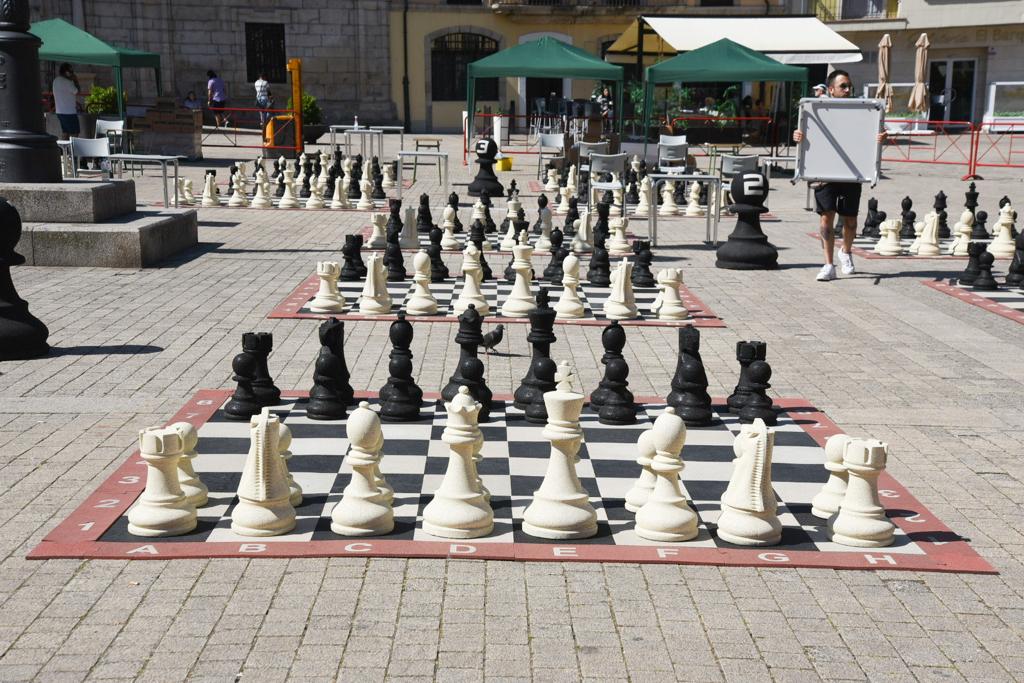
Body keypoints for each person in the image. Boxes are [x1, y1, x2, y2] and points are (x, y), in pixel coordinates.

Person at [794, 70, 886, 282]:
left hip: (851, 172)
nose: (847, 90)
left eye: (849, 86)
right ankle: (828, 264)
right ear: (831, 89)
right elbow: (805, 135)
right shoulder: (816, 109)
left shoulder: (862, 111)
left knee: (851, 222)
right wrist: (797, 136)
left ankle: (845, 251)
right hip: (825, 172)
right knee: (826, 221)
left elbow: (869, 136)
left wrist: (880, 137)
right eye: (843, 86)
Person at [52, 63, 80, 140]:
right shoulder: (68, 82)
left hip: (59, 111)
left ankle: (63, 149)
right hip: (69, 112)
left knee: (65, 132)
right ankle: (72, 150)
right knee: (75, 133)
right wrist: (75, 80)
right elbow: (77, 91)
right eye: (71, 71)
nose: (72, 73)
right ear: (67, 72)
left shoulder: (55, 80)